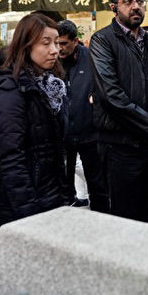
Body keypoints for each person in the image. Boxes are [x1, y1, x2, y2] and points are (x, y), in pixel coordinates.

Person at [0, 13, 69, 254]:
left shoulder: (50, 86)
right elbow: (11, 158)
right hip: (24, 203)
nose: (54, 50)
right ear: (25, 45)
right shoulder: (12, 91)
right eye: (45, 43)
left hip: (50, 195)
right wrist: (29, 211)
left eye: (57, 42)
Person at [89, 0, 148, 223]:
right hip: (121, 146)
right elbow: (111, 95)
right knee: (123, 217)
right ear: (114, 6)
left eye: (139, 1)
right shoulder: (103, 40)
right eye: (128, 2)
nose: (135, 6)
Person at [57, 20, 109, 212]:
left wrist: (97, 98)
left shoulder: (91, 58)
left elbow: (105, 86)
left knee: (97, 183)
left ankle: (101, 220)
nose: (59, 48)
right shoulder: (52, 60)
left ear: (75, 41)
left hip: (89, 131)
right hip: (62, 135)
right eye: (56, 43)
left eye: (63, 43)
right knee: (62, 186)